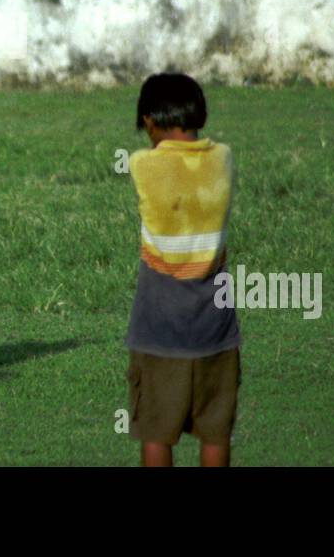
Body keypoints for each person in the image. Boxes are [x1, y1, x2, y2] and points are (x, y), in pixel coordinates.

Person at [125, 73, 240, 467]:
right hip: (217, 329)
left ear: (149, 122)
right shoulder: (223, 159)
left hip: (159, 328)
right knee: (216, 431)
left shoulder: (143, 165)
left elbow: (157, 164)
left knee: (156, 433)